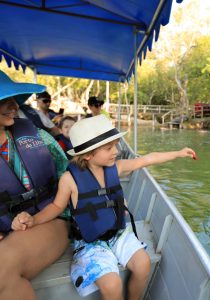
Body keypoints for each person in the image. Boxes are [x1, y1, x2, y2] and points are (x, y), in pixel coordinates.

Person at [12, 115, 197, 300]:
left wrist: (178, 153)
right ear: (87, 154)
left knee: (143, 264)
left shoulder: (116, 168)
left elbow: (147, 159)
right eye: (109, 148)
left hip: (117, 233)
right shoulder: (69, 180)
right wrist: (34, 219)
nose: (116, 151)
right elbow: (56, 207)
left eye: (116, 145)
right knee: (112, 285)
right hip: (90, 242)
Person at [0, 70, 69, 300]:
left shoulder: (40, 137)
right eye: (4, 100)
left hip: (50, 218)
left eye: (13, 100)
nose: (13, 106)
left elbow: (70, 177)